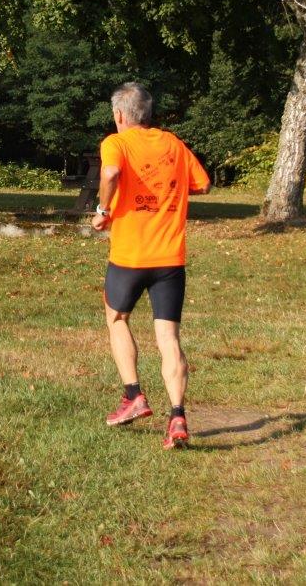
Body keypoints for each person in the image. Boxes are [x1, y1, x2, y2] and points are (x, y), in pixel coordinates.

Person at [91, 83, 210, 449]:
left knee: (117, 317)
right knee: (168, 339)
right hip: (170, 259)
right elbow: (202, 185)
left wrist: (103, 211)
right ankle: (177, 418)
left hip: (129, 256)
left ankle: (133, 396)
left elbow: (111, 174)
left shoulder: (116, 142)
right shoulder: (174, 144)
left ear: (120, 115)